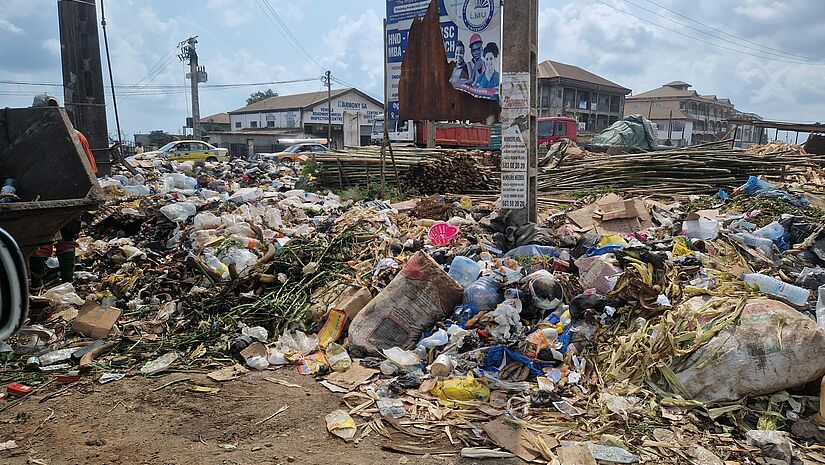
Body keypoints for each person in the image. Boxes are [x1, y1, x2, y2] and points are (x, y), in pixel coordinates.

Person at [29, 93, 98, 290]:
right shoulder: (77, 136)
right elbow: (91, 172)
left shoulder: (30, 136)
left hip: (38, 198)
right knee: (68, 238)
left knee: (41, 240)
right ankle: (67, 282)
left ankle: (35, 285)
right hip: (71, 197)